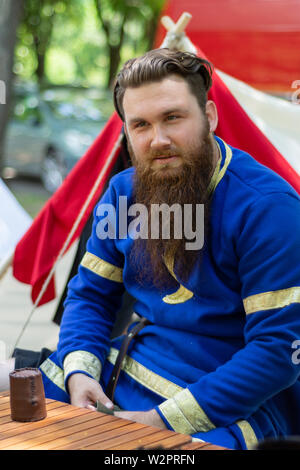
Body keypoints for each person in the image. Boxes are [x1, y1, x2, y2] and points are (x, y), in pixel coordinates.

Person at [2, 48, 300, 450]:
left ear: (209, 116)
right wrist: (79, 373)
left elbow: (278, 351)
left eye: (173, 118)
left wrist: (158, 422)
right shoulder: (122, 193)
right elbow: (90, 295)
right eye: (140, 124)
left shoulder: (269, 208)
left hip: (232, 404)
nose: (158, 139)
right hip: (120, 369)